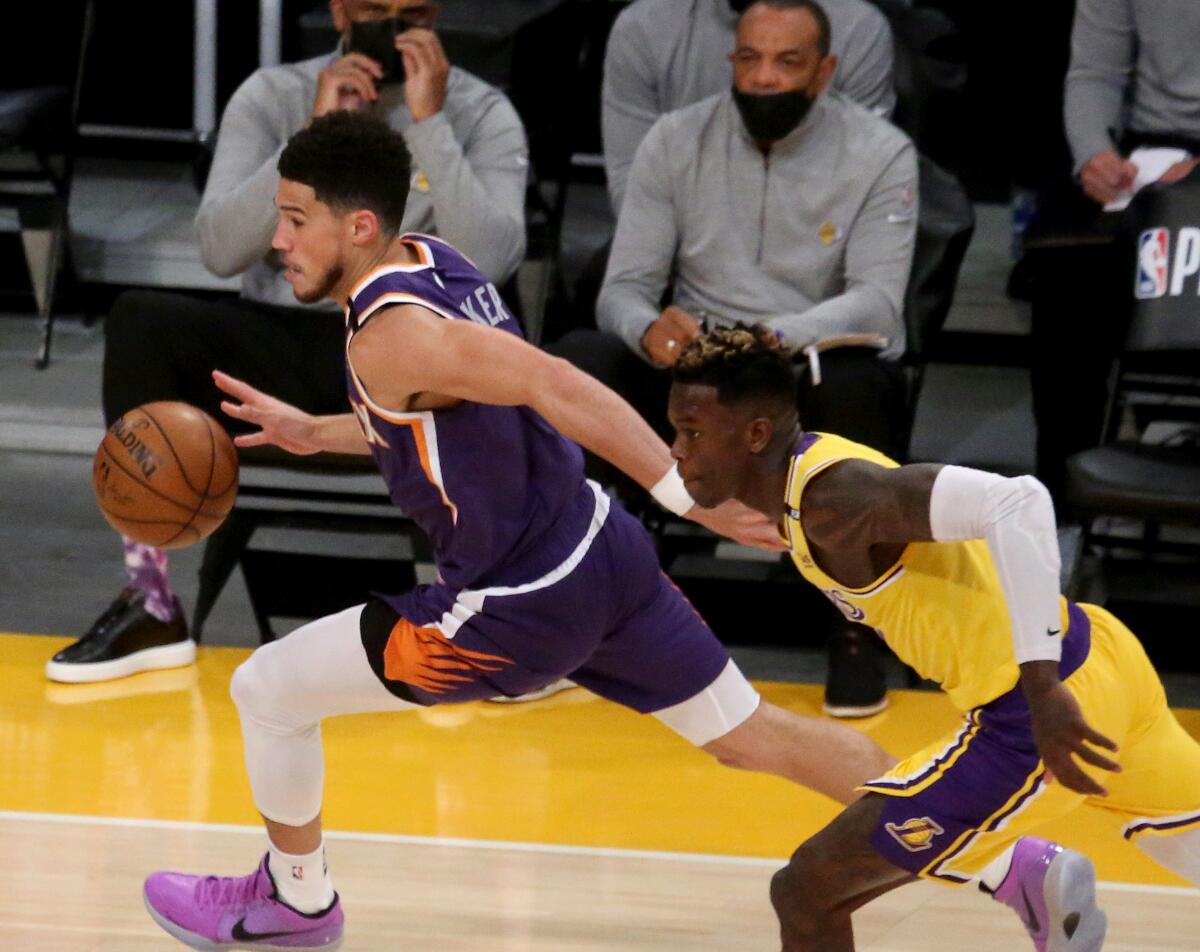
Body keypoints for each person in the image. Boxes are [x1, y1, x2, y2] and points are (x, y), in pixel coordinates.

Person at [138, 111, 898, 950]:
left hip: (513, 609)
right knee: (757, 738)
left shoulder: (391, 335)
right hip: (601, 554)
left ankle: (295, 905)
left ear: (357, 226)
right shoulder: (436, 263)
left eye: (293, 219)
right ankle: (1010, 858)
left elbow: (553, 382)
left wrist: (688, 493)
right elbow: (444, 415)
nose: (276, 239)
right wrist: (315, 431)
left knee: (266, 689)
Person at [666, 324, 1200, 951]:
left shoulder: (837, 499)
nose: (678, 449)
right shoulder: (801, 481)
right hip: (1102, 654)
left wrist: (1042, 687)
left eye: (692, 432)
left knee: (805, 890)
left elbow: (1019, 502)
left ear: (756, 433)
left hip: (1032, 712)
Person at [47, 0, 530, 684]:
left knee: (493, 353)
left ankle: (480, 614)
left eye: (411, 13)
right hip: (282, 342)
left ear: (438, 13)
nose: (390, 31)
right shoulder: (272, 95)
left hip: (403, 352)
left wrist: (431, 124)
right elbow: (218, 249)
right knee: (142, 319)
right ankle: (150, 597)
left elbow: (494, 263)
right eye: (371, 10)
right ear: (337, 9)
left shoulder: (481, 114)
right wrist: (310, 136)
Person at [560, 0, 917, 718]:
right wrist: (645, 330)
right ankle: (571, 616)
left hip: (799, 361)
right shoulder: (673, 140)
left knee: (865, 387)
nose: (763, 78)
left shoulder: (880, 152)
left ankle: (854, 629)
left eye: (786, 62)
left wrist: (772, 338)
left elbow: (878, 303)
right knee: (582, 361)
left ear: (824, 71)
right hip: (692, 360)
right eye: (749, 59)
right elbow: (622, 291)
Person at [1026, 0, 1200, 504]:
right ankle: (1060, 509)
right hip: (1154, 149)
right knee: (1065, 278)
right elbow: (1095, 72)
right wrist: (1094, 155)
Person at [602, 0, 896, 212]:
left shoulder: (859, 30)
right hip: (677, 251)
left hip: (813, 259)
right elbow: (634, 187)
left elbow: (852, 190)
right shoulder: (643, 27)